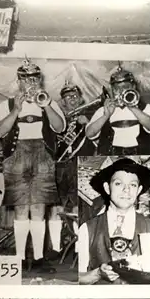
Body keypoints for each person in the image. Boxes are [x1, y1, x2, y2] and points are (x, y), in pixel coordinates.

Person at [0, 59, 65, 272]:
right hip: (16, 156)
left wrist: (47, 105)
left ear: (39, 80)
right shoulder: (6, 104)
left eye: (34, 79)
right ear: (19, 81)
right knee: (21, 209)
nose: (30, 83)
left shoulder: (49, 101)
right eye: (26, 79)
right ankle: (20, 258)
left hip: (43, 156)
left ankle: (39, 258)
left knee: (39, 208)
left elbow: (59, 128)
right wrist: (16, 109)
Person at [78, 158, 150, 284]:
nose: (126, 190)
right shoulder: (87, 229)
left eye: (133, 185)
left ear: (138, 190)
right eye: (119, 183)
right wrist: (98, 274)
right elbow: (78, 278)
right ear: (107, 188)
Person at [48, 82, 97, 259]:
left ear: (81, 98)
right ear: (62, 101)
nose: (73, 99)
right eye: (68, 97)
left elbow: (99, 137)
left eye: (75, 96)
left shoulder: (92, 114)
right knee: (56, 206)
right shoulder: (57, 118)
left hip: (80, 164)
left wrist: (89, 122)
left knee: (79, 206)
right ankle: (55, 248)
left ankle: (79, 249)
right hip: (60, 166)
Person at [85, 65, 150, 156]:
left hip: (140, 156)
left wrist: (133, 107)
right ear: (112, 90)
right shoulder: (104, 110)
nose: (121, 91)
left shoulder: (146, 107)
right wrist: (105, 116)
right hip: (112, 156)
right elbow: (89, 133)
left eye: (125, 86)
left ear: (133, 87)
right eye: (117, 88)